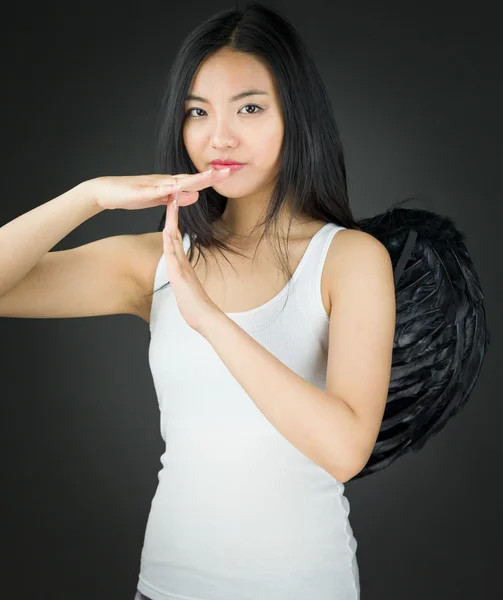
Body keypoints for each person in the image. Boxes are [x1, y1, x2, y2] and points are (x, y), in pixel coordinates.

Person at [0, 4, 398, 599]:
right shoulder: (158, 260)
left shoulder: (349, 259)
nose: (219, 137)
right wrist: (88, 197)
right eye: (197, 112)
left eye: (250, 107)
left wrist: (209, 320)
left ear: (297, 115)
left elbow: (344, 450)